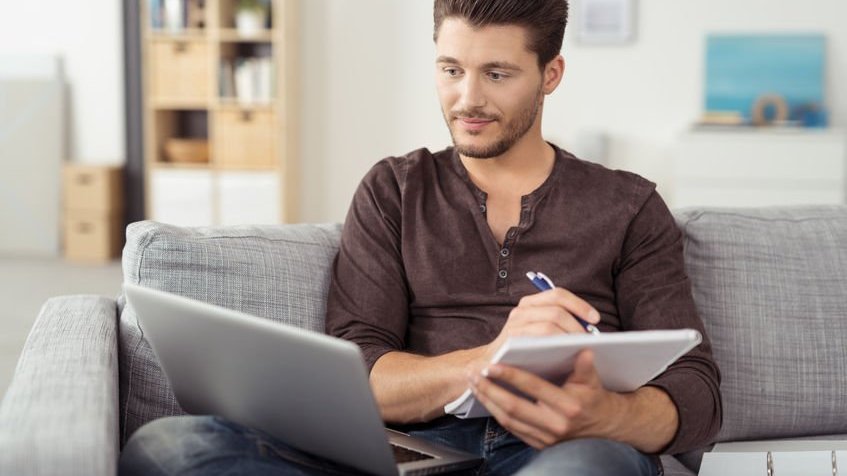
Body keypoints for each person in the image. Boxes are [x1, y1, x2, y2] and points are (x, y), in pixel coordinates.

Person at [119, 0, 721, 474]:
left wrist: (609, 415)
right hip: (409, 449)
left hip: (563, 452)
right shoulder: (395, 191)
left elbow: (696, 392)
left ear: (550, 74)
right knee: (171, 447)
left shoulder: (629, 205)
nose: (468, 99)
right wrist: (487, 362)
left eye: (498, 74)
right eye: (451, 70)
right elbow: (363, 370)